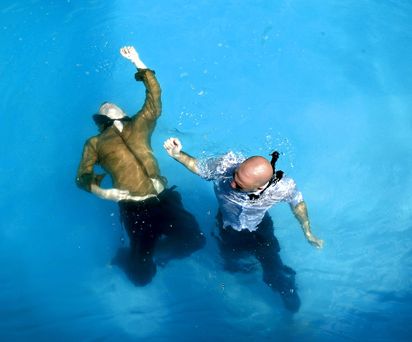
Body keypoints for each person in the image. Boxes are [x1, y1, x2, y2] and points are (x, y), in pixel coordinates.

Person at [75, 46, 205, 286]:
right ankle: (128, 259)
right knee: (141, 277)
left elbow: (154, 97)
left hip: (164, 198)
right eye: (102, 108)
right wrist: (103, 192)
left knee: (196, 241)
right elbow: (82, 177)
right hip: (136, 210)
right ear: (100, 120)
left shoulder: (140, 124)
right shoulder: (95, 142)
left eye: (110, 104)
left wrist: (137, 61)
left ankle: (158, 253)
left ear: (124, 112)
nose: (106, 104)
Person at [163, 137, 324, 313]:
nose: (231, 183)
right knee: (230, 264)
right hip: (227, 226)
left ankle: (293, 308)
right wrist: (177, 155)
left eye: (238, 185)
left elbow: (298, 203)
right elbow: (198, 167)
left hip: (260, 230)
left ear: (259, 189)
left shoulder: (281, 187)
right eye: (234, 176)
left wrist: (307, 231)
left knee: (275, 276)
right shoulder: (226, 165)